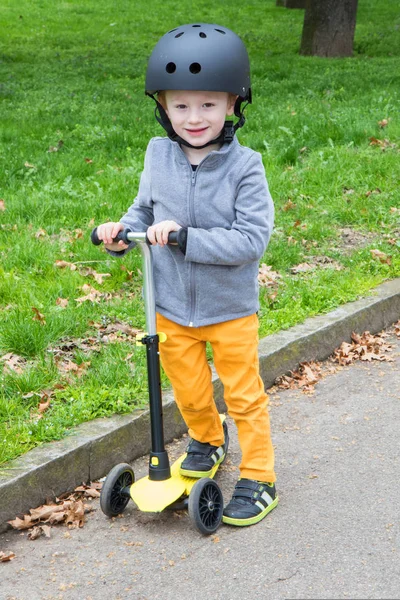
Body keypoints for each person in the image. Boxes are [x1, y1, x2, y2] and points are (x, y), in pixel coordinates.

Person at [96, 23, 278, 526]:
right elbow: (142, 211)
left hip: (230, 309)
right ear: (163, 108)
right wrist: (122, 232)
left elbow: (250, 241)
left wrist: (185, 238)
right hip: (170, 306)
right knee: (190, 390)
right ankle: (205, 439)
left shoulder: (246, 168)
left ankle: (260, 475)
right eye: (181, 106)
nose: (193, 118)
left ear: (233, 105)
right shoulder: (158, 155)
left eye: (207, 105)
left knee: (243, 394)